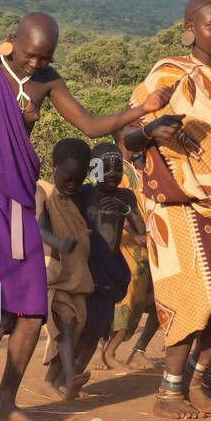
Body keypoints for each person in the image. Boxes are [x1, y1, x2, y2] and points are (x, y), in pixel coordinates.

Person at [0, 12, 167, 421]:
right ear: (13, 40)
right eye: (31, 55)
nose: (36, 64)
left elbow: (89, 124)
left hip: (18, 197)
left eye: (46, 57)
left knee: (30, 308)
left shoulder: (49, 81)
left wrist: (140, 111)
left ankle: (5, 402)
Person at [123, 0, 211, 420]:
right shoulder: (167, 73)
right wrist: (150, 128)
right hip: (178, 201)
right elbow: (128, 137)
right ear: (190, 28)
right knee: (191, 294)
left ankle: (201, 377)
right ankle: (169, 392)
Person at [36, 138, 95, 401]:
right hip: (53, 274)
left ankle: (53, 381)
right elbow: (37, 227)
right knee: (65, 325)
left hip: (77, 276)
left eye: (79, 181)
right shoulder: (42, 191)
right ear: (52, 166)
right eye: (67, 179)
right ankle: (69, 377)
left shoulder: (71, 199)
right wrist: (58, 242)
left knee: (75, 327)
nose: (72, 186)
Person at [77, 143, 134, 374]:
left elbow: (140, 229)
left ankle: (75, 374)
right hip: (86, 268)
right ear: (93, 170)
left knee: (98, 328)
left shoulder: (126, 196)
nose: (112, 175)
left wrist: (125, 210)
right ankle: (61, 376)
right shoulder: (84, 194)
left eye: (117, 169)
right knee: (79, 326)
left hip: (110, 270)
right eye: (105, 169)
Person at [103, 136, 152, 370]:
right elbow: (109, 204)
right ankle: (108, 352)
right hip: (126, 244)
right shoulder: (114, 167)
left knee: (156, 300)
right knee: (127, 298)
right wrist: (132, 233)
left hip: (147, 242)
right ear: (122, 137)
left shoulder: (140, 166)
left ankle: (138, 350)